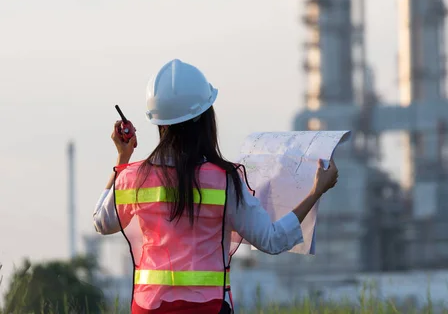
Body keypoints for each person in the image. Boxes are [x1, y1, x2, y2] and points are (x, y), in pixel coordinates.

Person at [92, 59, 339, 314]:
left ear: (160, 124)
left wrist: (122, 160)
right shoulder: (225, 180)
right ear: (204, 119)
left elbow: (102, 222)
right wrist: (315, 190)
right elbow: (273, 240)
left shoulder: (133, 178)